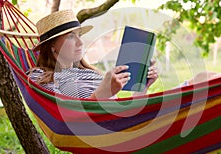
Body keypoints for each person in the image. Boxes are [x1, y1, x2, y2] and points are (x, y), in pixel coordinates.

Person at [28, 10, 158, 99]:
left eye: (79, 35)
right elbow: (67, 117)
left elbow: (126, 113)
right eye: (71, 37)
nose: (80, 42)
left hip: (124, 127)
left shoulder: (90, 73)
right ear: (52, 46)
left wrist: (143, 86)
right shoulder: (40, 77)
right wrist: (102, 93)